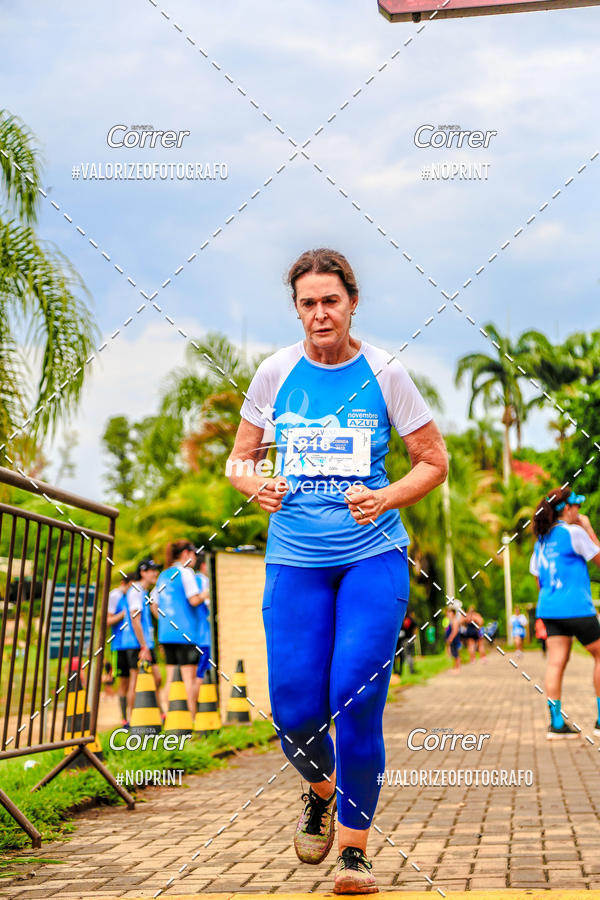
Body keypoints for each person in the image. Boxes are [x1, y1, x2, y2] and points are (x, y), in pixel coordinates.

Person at [227, 249, 447, 894]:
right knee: (294, 708)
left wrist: (386, 496)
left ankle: (354, 853)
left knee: (355, 694)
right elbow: (240, 459)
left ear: (352, 302)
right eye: (307, 303)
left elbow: (432, 461)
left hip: (372, 554)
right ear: (296, 308)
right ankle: (321, 792)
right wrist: (255, 486)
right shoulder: (275, 372)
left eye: (331, 300)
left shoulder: (385, 373)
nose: (320, 313)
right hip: (295, 557)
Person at [530, 487, 600, 739]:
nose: (579, 511)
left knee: (556, 663)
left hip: (550, 609)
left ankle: (556, 723)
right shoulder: (575, 533)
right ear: (566, 509)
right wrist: (589, 529)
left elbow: (539, 580)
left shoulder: (541, 539)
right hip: (577, 608)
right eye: (577, 507)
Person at [151, 540, 206, 720]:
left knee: (171, 677)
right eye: (194, 554)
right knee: (188, 678)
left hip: (166, 634)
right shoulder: (186, 572)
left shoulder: (164, 575)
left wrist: (167, 620)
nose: (196, 558)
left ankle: (168, 716)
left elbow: (153, 604)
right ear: (185, 554)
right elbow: (194, 600)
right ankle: (190, 719)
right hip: (186, 633)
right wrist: (208, 591)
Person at [125, 559, 162, 716]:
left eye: (156, 570)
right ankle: (130, 718)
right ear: (143, 572)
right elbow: (135, 621)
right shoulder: (136, 591)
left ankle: (158, 713)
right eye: (152, 570)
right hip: (137, 644)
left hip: (145, 643)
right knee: (135, 681)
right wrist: (143, 646)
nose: (156, 573)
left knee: (157, 678)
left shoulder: (144, 592)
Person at [106, 572, 135, 725]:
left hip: (132, 644)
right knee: (124, 683)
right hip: (119, 646)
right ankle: (125, 719)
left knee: (134, 681)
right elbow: (108, 620)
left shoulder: (130, 596)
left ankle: (134, 716)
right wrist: (125, 614)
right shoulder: (115, 595)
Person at [194, 552, 212, 690]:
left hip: (193, 637)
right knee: (202, 675)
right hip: (204, 637)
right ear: (204, 565)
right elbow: (209, 604)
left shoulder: (192, 579)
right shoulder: (204, 581)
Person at [395, 609, 417, 676]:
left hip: (404, 641)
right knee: (409, 655)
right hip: (410, 640)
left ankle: (411, 670)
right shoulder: (411, 620)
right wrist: (414, 637)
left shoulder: (402, 620)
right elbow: (415, 628)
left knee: (407, 655)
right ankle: (411, 669)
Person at [445, 606, 461, 673]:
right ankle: (455, 667)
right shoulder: (451, 621)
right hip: (452, 640)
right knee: (454, 654)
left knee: (456, 654)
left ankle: (457, 668)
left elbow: (455, 631)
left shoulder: (455, 621)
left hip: (455, 640)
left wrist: (450, 638)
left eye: (449, 612)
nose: (448, 614)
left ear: (453, 613)